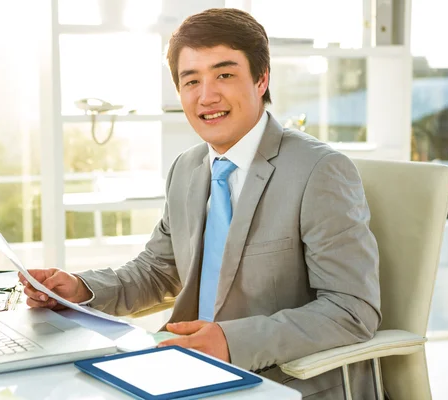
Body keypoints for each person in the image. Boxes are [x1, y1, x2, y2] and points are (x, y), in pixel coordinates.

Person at [19, 8, 381, 399]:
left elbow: (351, 310)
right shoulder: (187, 168)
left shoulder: (319, 170)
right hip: (186, 370)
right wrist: (80, 289)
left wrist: (228, 340)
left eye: (224, 75)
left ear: (261, 79)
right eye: (191, 80)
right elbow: (158, 271)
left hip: (281, 382)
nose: (207, 96)